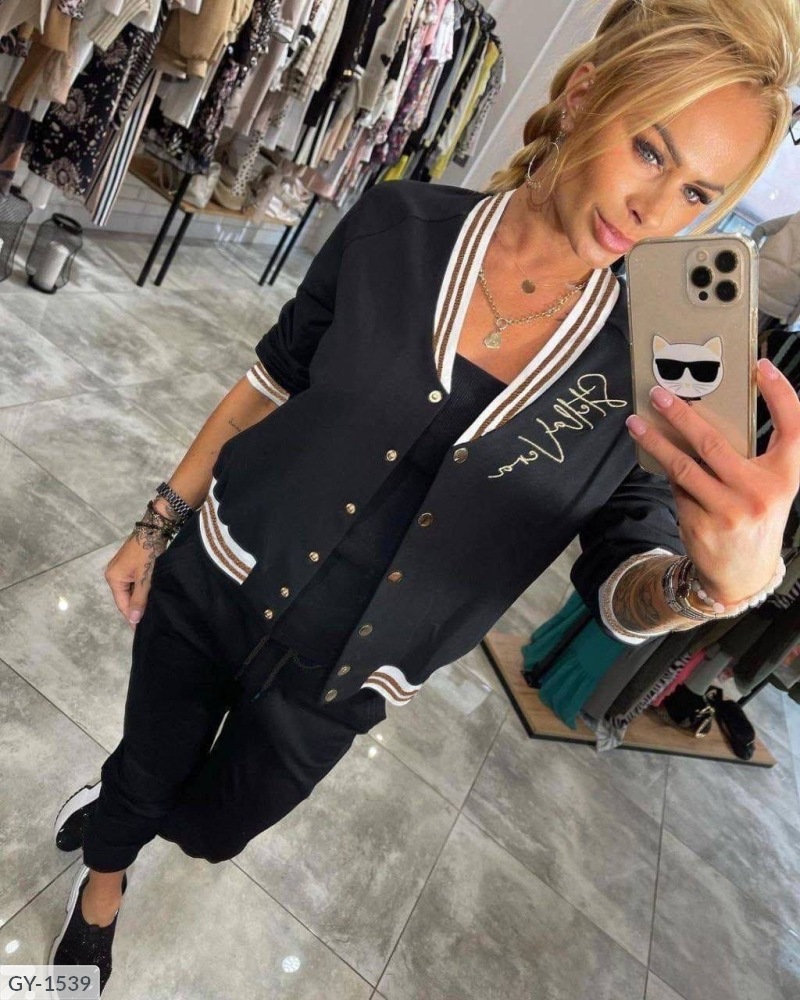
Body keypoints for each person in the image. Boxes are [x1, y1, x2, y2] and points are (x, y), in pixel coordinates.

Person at [48, 0, 800, 992]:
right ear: (584, 97)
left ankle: (129, 810)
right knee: (146, 769)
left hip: (347, 677)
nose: (655, 209)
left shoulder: (646, 367)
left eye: (697, 191)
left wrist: (708, 587)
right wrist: (157, 523)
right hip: (219, 575)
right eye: (649, 150)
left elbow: (627, 565)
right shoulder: (398, 225)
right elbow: (268, 381)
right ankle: (104, 879)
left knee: (214, 826)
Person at [752, 209, 800, 335]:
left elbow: (760, 229)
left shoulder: (795, 218)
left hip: (754, 284)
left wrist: (750, 259)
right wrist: (791, 321)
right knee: (747, 342)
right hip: (779, 306)